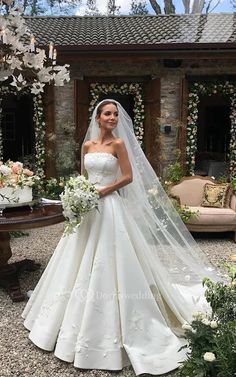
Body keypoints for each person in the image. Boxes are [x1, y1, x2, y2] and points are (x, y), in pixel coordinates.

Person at [22, 99, 220, 376]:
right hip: (87, 209)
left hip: (109, 206)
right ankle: (60, 322)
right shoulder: (88, 146)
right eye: (108, 114)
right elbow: (82, 176)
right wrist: (78, 195)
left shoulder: (118, 145)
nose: (112, 117)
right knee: (76, 257)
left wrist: (103, 191)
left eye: (115, 114)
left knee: (110, 259)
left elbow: (127, 177)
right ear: (98, 118)